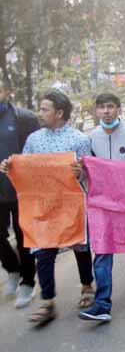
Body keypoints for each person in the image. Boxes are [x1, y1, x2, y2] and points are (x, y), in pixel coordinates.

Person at [1, 91, 93, 324]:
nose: (40, 114)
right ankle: (48, 302)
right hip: (43, 206)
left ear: (59, 112)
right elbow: (25, 166)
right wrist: (9, 166)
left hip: (71, 204)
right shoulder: (34, 139)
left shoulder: (79, 139)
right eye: (40, 109)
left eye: (44, 109)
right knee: (43, 252)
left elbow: (91, 174)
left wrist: (81, 172)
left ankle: (87, 287)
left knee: (80, 247)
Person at [79, 93, 125, 322]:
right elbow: (85, 168)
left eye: (110, 107)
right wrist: (79, 172)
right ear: (97, 111)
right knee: (102, 248)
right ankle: (102, 303)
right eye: (101, 108)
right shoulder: (90, 138)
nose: (106, 111)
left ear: (119, 110)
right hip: (102, 201)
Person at [0, 80, 38, 309]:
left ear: (6, 91)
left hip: (22, 189)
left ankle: (28, 282)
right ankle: (12, 269)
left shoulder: (23, 118)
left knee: (24, 236)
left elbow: (36, 153)